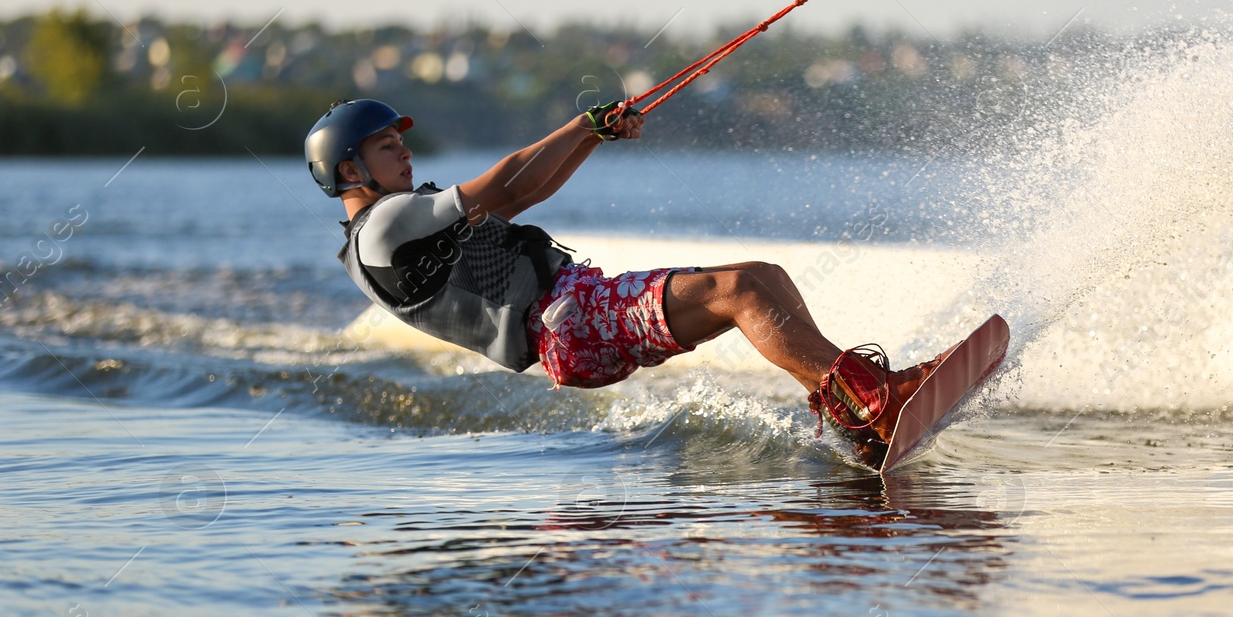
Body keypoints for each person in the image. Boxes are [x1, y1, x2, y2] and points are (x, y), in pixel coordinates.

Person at [303, 98, 937, 460]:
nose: (406, 152)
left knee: (761, 276)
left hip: (573, 317)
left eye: (400, 143)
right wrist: (583, 123)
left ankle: (853, 408)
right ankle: (874, 402)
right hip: (565, 324)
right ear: (350, 169)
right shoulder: (383, 229)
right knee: (742, 291)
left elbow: (525, 192)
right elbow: (500, 177)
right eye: (389, 147)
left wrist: (595, 137)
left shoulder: (402, 223)